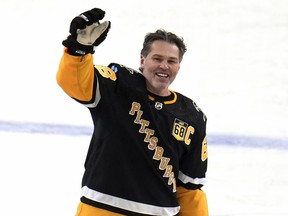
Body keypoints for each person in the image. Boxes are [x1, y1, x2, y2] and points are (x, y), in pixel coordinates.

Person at [57, 8, 208, 216]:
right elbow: (74, 83)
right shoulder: (118, 85)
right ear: (142, 61)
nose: (164, 66)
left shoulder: (191, 116)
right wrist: (80, 49)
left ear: (178, 67)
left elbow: (190, 190)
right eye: (157, 58)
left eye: (171, 61)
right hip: (101, 209)